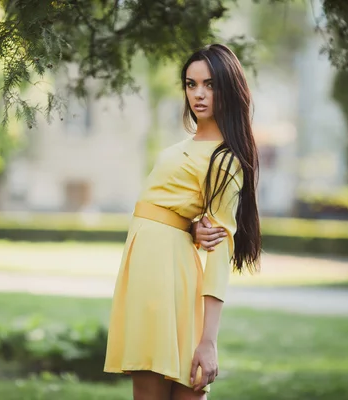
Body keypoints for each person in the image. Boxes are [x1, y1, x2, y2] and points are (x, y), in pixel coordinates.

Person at [104, 43, 261, 400]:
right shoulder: (188, 144)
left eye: (209, 84)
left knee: (188, 384)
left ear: (228, 88)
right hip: (150, 271)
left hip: (169, 277)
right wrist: (191, 227)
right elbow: (172, 208)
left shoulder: (225, 158)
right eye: (191, 84)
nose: (199, 94)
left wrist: (209, 341)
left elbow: (222, 251)